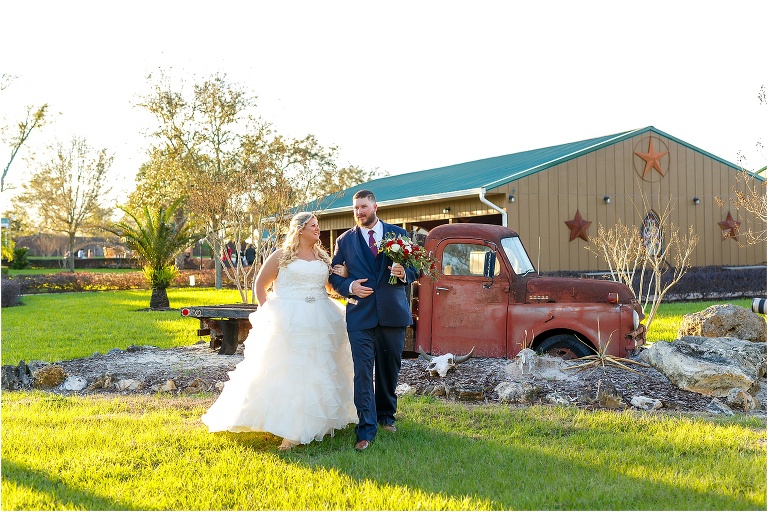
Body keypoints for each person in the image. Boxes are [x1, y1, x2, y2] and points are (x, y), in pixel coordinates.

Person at [201, 212, 357, 451]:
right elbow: (260, 285)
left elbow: (330, 289)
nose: (318, 229)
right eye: (313, 226)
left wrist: (342, 276)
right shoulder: (281, 256)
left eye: (318, 226)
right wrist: (269, 314)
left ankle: (316, 422)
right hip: (288, 318)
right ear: (300, 229)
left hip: (321, 317)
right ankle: (290, 429)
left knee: (318, 369)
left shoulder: (322, 257)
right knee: (289, 370)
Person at [328, 190, 418, 451]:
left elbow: (416, 268)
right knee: (364, 373)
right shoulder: (344, 241)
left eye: (363, 207)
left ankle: (386, 416)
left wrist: (404, 273)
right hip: (360, 315)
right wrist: (350, 286)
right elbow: (334, 276)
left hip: (392, 313)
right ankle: (365, 429)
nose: (359, 212)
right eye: (355, 208)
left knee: (389, 370)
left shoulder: (398, 234)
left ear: (375, 207)